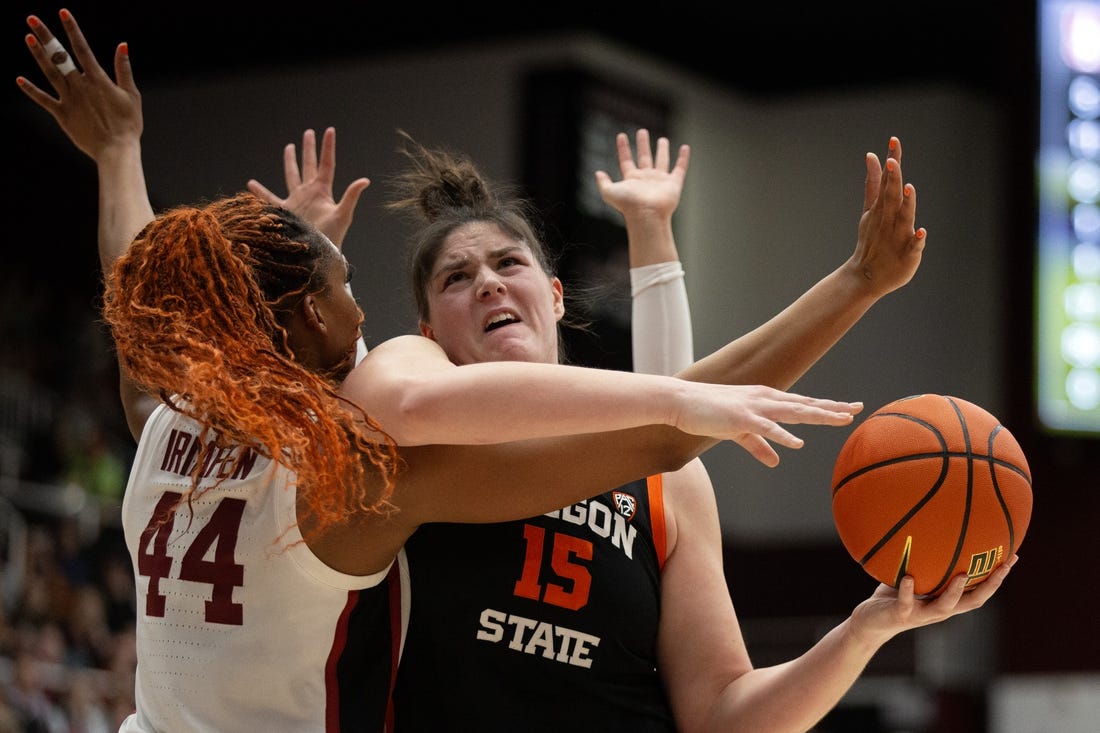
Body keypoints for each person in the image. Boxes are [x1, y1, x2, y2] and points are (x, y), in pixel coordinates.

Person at [16, 10, 865, 733]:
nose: (361, 309)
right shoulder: (352, 470)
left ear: (559, 293)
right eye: (346, 284)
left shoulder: (168, 420)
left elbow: (142, 309)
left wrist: (119, 155)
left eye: (508, 264)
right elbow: (659, 438)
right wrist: (845, 290)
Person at [317, 128, 1012, 731]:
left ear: (556, 296)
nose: (490, 284)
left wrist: (865, 632)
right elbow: (670, 414)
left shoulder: (666, 483)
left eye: (508, 263)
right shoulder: (411, 444)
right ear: (428, 329)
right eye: (457, 277)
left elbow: (725, 715)